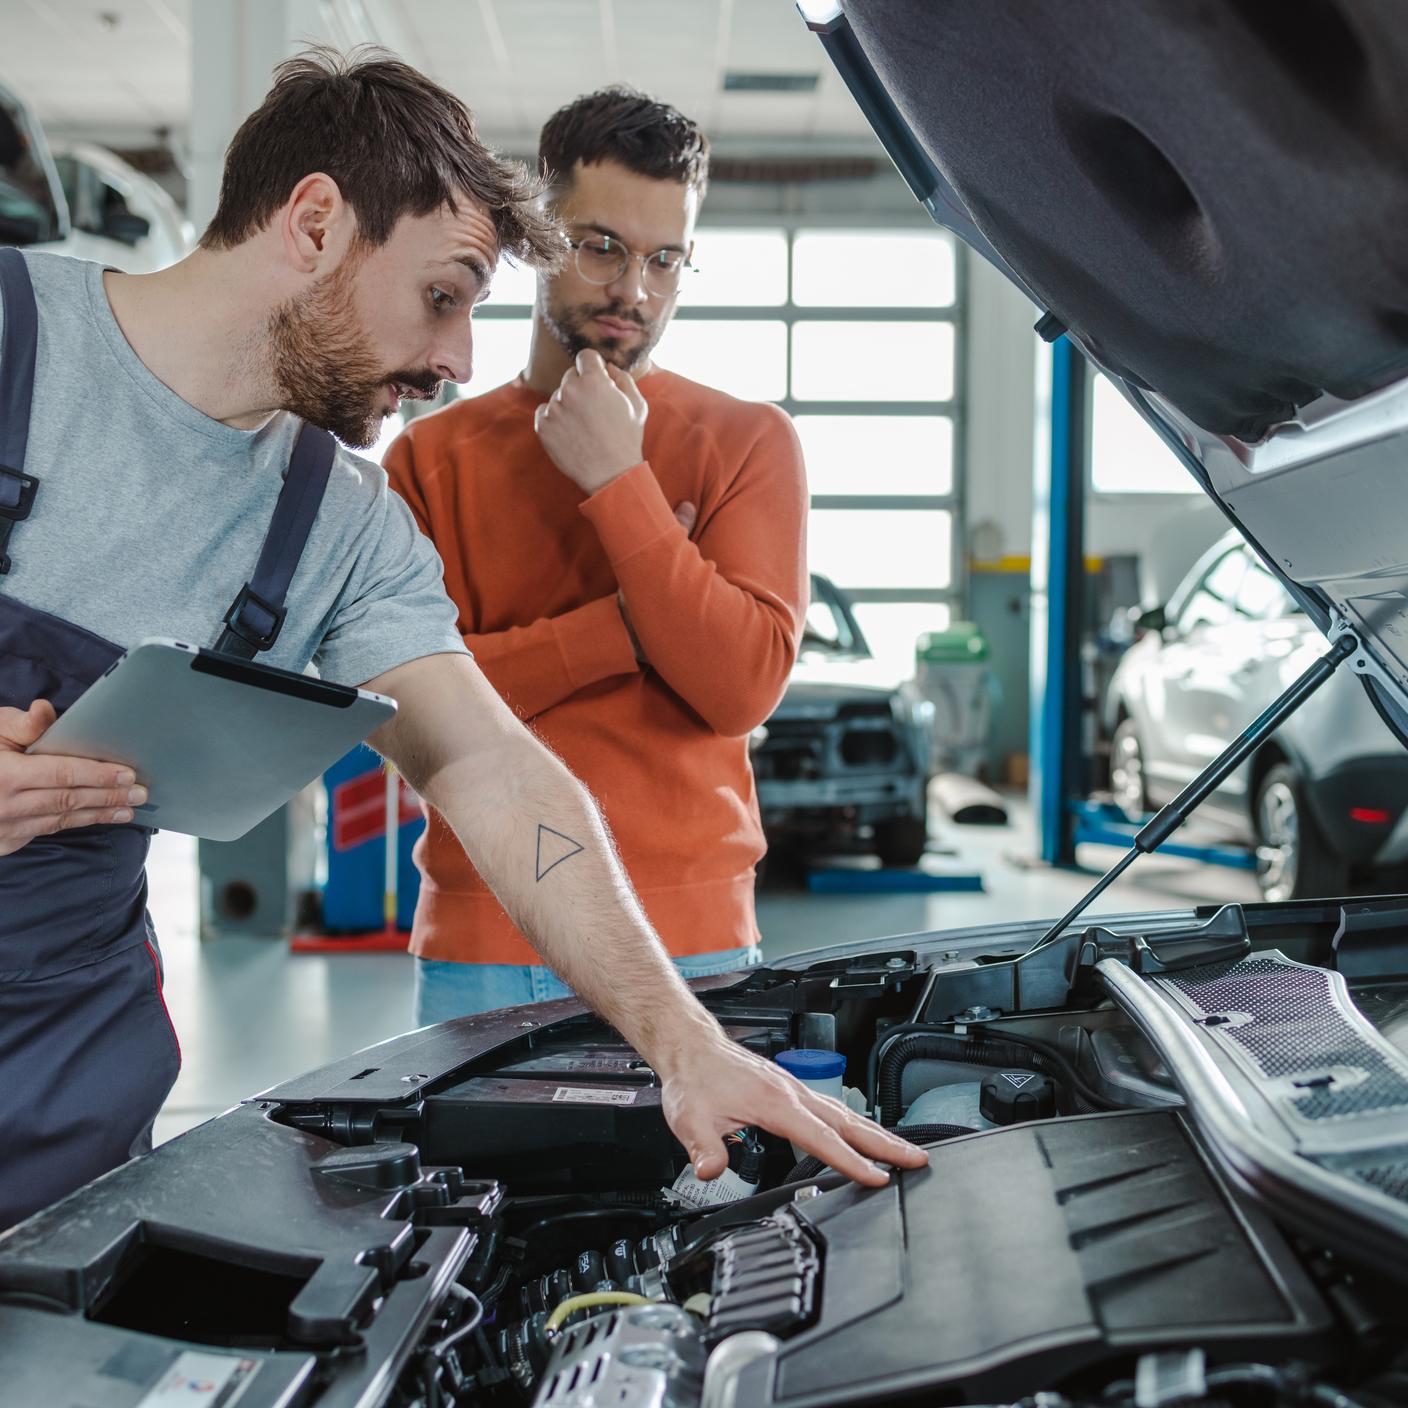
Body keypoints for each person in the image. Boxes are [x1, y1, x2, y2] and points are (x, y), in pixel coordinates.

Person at [0, 49, 923, 1229]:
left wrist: (685, 1040)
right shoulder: (14, 337)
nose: (459, 363)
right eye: (444, 296)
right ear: (317, 223)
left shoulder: (334, 516)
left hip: (67, 1087)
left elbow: (487, 765)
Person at [385, 87, 806, 1024]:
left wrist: (619, 481)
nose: (634, 292)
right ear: (537, 233)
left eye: (666, 260)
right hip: (485, 941)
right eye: (602, 246)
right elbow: (413, 718)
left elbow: (738, 686)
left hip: (695, 946)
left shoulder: (747, 442)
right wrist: (629, 628)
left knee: (703, 1183)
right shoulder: (429, 458)